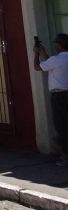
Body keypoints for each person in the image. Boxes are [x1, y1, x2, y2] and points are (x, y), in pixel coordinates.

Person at [34, 33, 68, 166]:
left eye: (56, 43)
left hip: (59, 96)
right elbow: (51, 63)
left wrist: (36, 54)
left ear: (59, 45)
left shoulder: (56, 59)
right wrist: (43, 52)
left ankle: (66, 156)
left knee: (62, 125)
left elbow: (37, 67)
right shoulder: (58, 60)